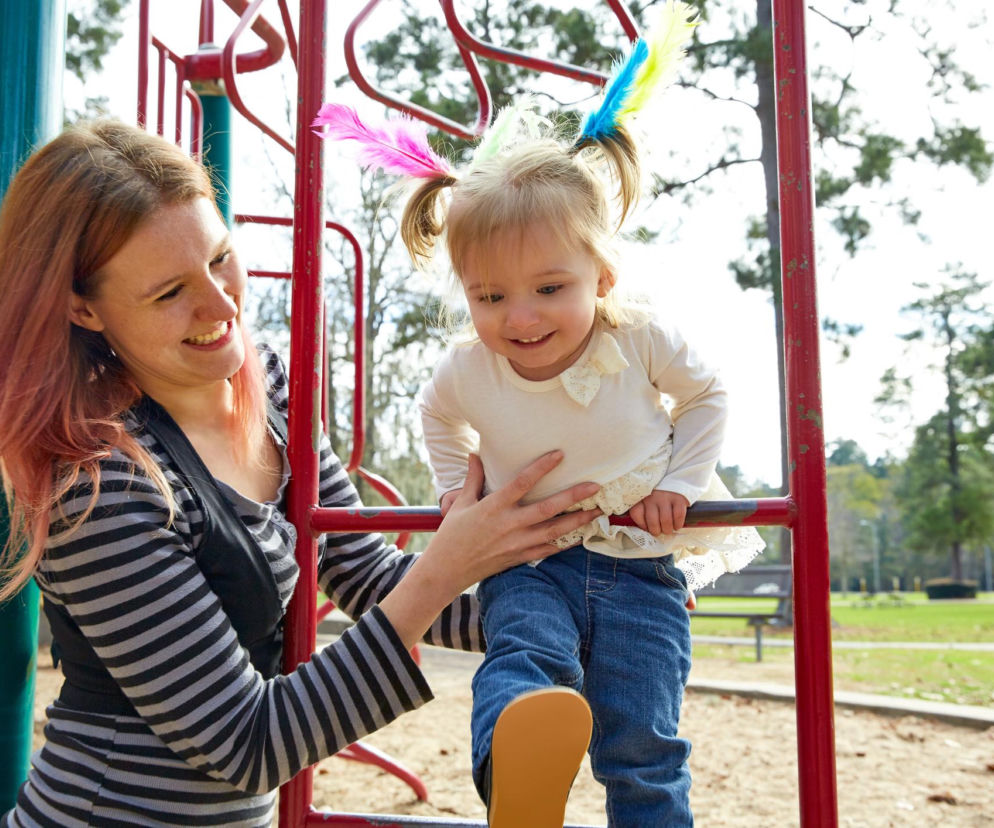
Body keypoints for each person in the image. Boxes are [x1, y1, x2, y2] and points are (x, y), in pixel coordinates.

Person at [0, 120, 606, 827]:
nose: (223, 306)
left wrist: (575, 615)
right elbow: (248, 742)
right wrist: (447, 564)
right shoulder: (96, 482)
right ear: (83, 307)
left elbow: (362, 572)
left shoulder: (273, 389)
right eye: (169, 294)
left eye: (221, 258)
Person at [315, 4, 764, 825]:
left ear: (601, 273)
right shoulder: (468, 368)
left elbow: (709, 398)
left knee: (645, 747)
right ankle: (517, 778)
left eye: (548, 289)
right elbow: (437, 417)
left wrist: (682, 482)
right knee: (521, 661)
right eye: (490, 296)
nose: (519, 318)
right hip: (532, 559)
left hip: (641, 562)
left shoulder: (638, 338)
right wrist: (458, 492)